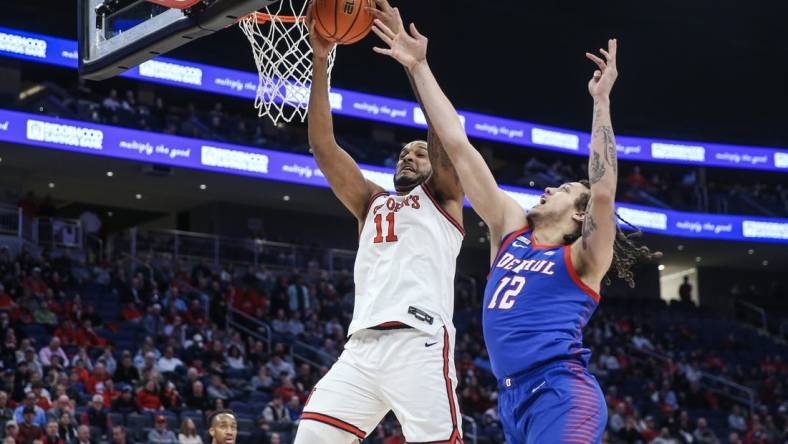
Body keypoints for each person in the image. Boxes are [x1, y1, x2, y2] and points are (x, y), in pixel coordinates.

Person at [371, 15, 658, 444]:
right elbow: (457, 144)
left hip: (561, 393)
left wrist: (601, 102)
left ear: (579, 216)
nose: (547, 188)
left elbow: (601, 190)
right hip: (511, 401)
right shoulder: (511, 230)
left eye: (561, 189)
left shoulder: (583, 259)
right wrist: (418, 67)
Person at [293, 2, 465, 442]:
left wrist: (414, 64)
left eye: (418, 152)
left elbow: (442, 132)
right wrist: (318, 59)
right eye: (403, 153)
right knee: (311, 437)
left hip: (419, 340)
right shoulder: (371, 201)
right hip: (362, 348)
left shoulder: (444, 198)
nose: (409, 155)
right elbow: (323, 147)